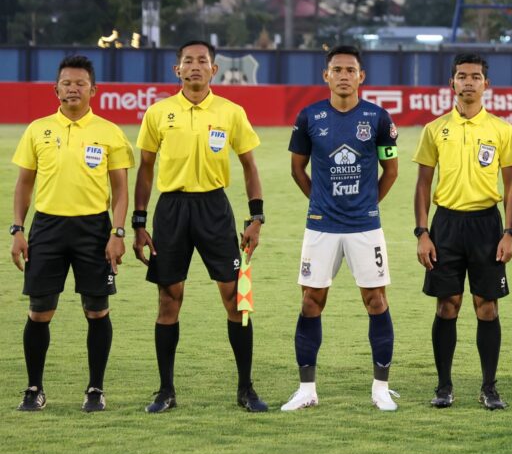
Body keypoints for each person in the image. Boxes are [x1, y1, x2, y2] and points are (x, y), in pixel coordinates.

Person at [133, 40, 267, 413]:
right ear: (177, 70)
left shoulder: (230, 112)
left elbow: (249, 166)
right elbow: (145, 168)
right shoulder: (158, 113)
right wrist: (140, 222)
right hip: (171, 210)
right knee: (168, 299)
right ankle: (165, 391)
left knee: (235, 300)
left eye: (202, 61)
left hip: (214, 209)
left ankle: (246, 389)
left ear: (214, 70)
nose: (195, 66)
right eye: (188, 61)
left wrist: (256, 218)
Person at [11, 55, 134, 412]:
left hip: (94, 230)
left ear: (93, 90)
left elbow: (121, 190)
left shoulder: (109, 132)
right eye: (66, 83)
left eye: (80, 84)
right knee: (39, 311)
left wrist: (118, 232)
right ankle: (34, 389)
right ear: (56, 89)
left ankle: (95, 389)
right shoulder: (37, 129)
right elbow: (24, 184)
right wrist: (18, 229)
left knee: (96, 310)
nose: (73, 89)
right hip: (47, 228)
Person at [281, 45, 400, 412]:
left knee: (376, 300)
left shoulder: (379, 118)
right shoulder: (309, 116)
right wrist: (320, 203)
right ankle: (307, 390)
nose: (344, 75)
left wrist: (367, 206)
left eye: (351, 69)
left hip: (365, 226)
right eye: (337, 69)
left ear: (361, 77)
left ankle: (380, 388)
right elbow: (297, 169)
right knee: (311, 301)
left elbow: (391, 171)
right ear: (326, 76)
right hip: (321, 227)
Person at [413, 53, 512, 410]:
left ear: (486, 84)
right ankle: (444, 386)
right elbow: (422, 186)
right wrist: (422, 232)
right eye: (462, 76)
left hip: (486, 225)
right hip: (445, 224)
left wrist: (509, 232)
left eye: (475, 77)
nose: (469, 82)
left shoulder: (501, 130)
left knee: (486, 307)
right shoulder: (435, 130)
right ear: (452, 83)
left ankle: (489, 387)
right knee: (447, 305)